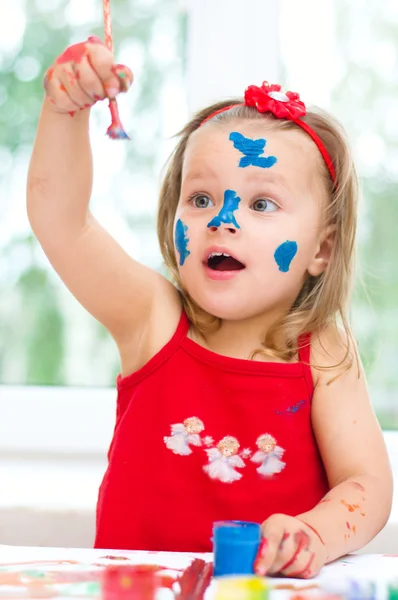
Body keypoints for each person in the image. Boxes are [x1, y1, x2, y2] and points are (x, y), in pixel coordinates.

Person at [27, 36, 392, 579]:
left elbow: (367, 483)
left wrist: (314, 533)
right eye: (200, 199)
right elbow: (62, 223)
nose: (223, 219)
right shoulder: (151, 318)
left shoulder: (323, 351)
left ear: (321, 249)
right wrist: (64, 110)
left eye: (261, 203)